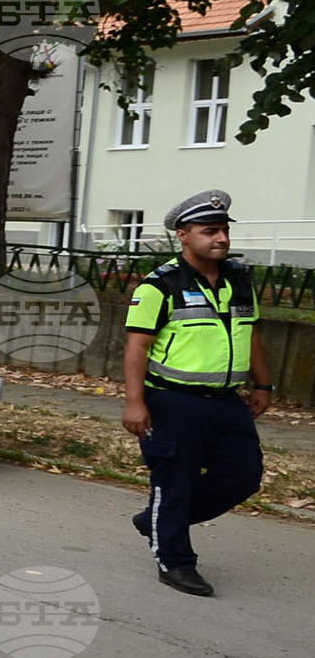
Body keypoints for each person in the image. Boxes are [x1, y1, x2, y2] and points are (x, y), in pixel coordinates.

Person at [121, 189, 269, 596]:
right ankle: (175, 562)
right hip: (173, 403)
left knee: (243, 476)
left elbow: (252, 333)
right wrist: (134, 403)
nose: (220, 238)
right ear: (183, 235)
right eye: (209, 231)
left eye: (223, 230)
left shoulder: (240, 279)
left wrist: (263, 384)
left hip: (228, 402)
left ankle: (156, 520)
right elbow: (137, 347)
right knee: (175, 482)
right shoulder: (160, 285)